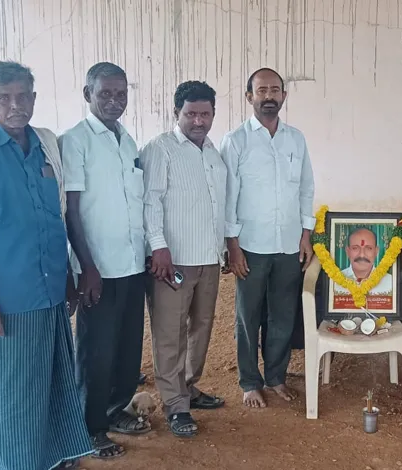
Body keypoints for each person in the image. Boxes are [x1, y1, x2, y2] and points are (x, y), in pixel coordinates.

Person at [0, 61, 91, 469]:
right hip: (7, 299)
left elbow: (57, 215)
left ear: (34, 98)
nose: (16, 106)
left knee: (52, 380)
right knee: (11, 394)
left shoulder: (45, 144)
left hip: (50, 289)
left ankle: (51, 457)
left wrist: (68, 276)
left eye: (23, 96)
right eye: (4, 98)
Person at [60, 62, 148, 459]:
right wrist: (88, 267)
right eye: (105, 93)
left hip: (132, 264)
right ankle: (90, 427)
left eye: (121, 93)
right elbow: (72, 211)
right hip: (98, 269)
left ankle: (115, 410)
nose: (114, 101)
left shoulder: (127, 141)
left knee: (127, 347)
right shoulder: (76, 141)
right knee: (96, 352)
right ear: (88, 94)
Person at [221, 67, 315, 409]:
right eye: (262, 91)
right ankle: (250, 382)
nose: (269, 96)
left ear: (284, 96)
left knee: (283, 314)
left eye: (275, 90)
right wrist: (232, 245)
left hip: (288, 244)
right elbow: (228, 196)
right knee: (247, 315)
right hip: (250, 246)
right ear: (250, 97)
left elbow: (306, 189)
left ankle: (276, 377)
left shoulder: (296, 139)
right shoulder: (236, 141)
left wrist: (306, 235)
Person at [140, 80, 227, 438]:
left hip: (208, 258)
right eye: (191, 114)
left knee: (201, 327)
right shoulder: (160, 149)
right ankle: (176, 405)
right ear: (177, 112)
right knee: (170, 332)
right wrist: (158, 247)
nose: (198, 121)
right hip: (172, 262)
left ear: (213, 114)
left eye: (205, 114)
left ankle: (188, 387)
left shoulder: (213, 153)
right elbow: (150, 201)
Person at [334, 227, 393, 295]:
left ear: (376, 251)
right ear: (347, 251)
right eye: (355, 248)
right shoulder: (334, 282)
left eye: (368, 248)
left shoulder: (390, 282)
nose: (362, 255)